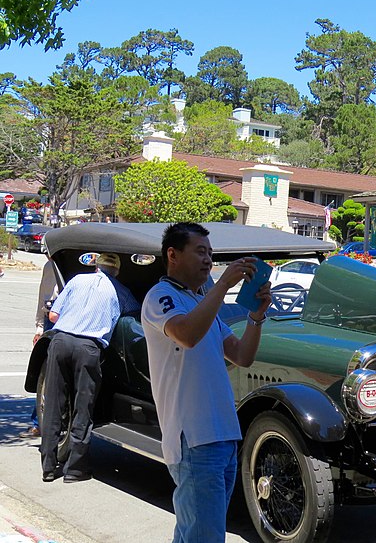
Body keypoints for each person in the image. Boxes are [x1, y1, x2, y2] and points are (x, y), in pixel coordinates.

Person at [141, 222, 272, 543]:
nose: (208, 260)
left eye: (211, 254)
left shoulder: (204, 306)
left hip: (223, 436)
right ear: (172, 254)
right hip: (194, 439)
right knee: (205, 537)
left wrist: (257, 316)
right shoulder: (161, 296)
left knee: (197, 535)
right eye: (200, 252)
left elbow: (242, 355)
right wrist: (222, 286)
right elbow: (185, 334)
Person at [40, 253, 140, 483]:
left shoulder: (76, 280)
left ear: (96, 266)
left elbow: (54, 314)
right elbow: (133, 319)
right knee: (83, 407)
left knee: (54, 403)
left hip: (61, 341)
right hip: (89, 348)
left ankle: (48, 466)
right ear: (116, 271)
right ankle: (75, 470)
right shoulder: (121, 292)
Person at [20, 260, 58, 438]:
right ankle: (39, 422)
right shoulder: (51, 266)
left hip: (67, 315)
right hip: (53, 316)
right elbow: (44, 296)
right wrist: (40, 326)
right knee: (47, 371)